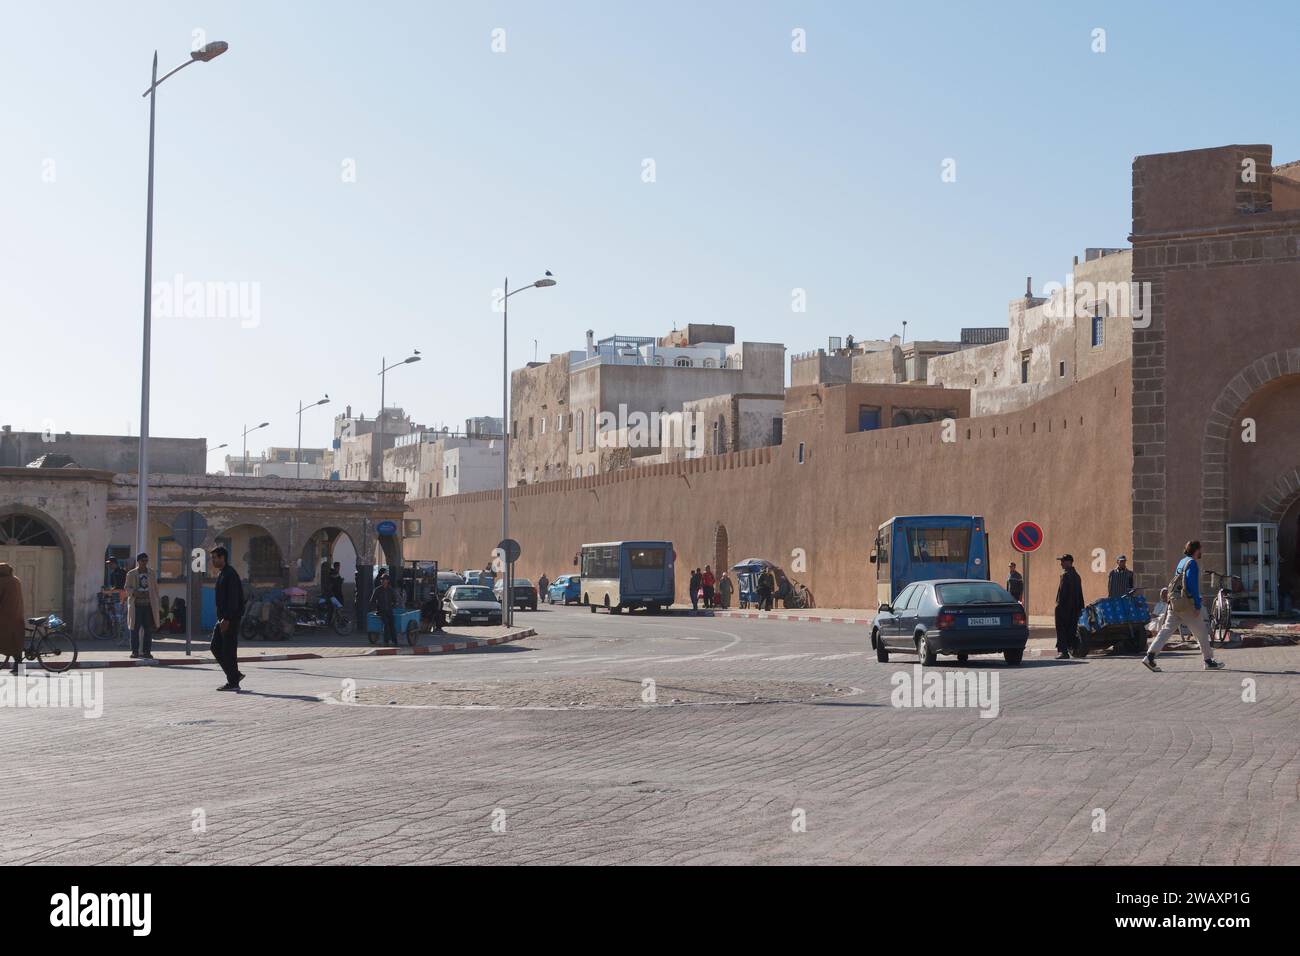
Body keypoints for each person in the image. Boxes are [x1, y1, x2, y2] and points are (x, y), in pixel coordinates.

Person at [1143, 540, 1224, 672]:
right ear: (1196, 550)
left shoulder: (1182, 562)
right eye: (1200, 549)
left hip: (1175, 604)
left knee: (1165, 631)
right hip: (1187, 606)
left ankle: (1150, 657)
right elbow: (1191, 585)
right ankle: (1208, 661)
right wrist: (1197, 605)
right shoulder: (1192, 563)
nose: (1201, 552)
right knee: (1202, 633)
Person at [211, 546, 246, 691]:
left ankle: (233, 681)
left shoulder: (230, 574)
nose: (212, 561)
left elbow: (233, 599)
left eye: (214, 558)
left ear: (222, 558)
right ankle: (234, 675)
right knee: (215, 647)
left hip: (229, 619)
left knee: (228, 650)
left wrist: (227, 619)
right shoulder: (223, 574)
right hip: (223, 619)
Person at [124, 552, 160, 661]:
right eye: (143, 560)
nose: (145, 563)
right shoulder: (131, 574)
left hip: (148, 606)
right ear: (138, 561)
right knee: (134, 629)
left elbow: (155, 588)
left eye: (146, 560)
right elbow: (127, 588)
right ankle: (135, 652)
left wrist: (157, 601)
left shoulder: (151, 573)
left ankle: (147, 652)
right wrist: (134, 593)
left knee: (148, 630)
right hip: (137, 606)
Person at [1053, 553, 1084, 660]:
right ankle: (1073, 647)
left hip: (1064, 608)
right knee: (1071, 629)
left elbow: (1062, 593)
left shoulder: (1065, 575)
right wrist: (1080, 608)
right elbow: (1080, 594)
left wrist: (1058, 606)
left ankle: (1063, 651)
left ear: (1069, 562)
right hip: (1074, 609)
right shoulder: (1077, 576)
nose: (1061, 563)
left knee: (1061, 629)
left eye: (1062, 561)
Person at [0, 562, 24, 675]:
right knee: (17, 643)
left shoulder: (3, 582)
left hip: (5, 617)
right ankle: (20, 669)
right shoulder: (16, 580)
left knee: (5, 639)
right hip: (17, 616)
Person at [371, 572, 397, 645]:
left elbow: (395, 600)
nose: (383, 581)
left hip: (389, 610)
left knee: (392, 624)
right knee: (386, 624)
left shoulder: (390, 590)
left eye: (384, 580)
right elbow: (372, 601)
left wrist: (393, 605)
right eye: (382, 580)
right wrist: (376, 608)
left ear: (388, 581)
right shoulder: (377, 590)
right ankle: (386, 641)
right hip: (381, 611)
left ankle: (395, 641)